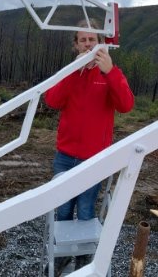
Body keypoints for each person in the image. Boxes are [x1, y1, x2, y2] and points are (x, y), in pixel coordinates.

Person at [45, 25, 134, 222]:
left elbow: (126, 105)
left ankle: (83, 254)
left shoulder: (111, 73)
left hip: (94, 158)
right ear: (76, 45)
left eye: (92, 40)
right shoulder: (69, 72)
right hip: (65, 156)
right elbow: (52, 101)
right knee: (63, 209)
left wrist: (110, 72)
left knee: (86, 210)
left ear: (100, 43)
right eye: (83, 40)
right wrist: (73, 72)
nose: (87, 45)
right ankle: (63, 253)